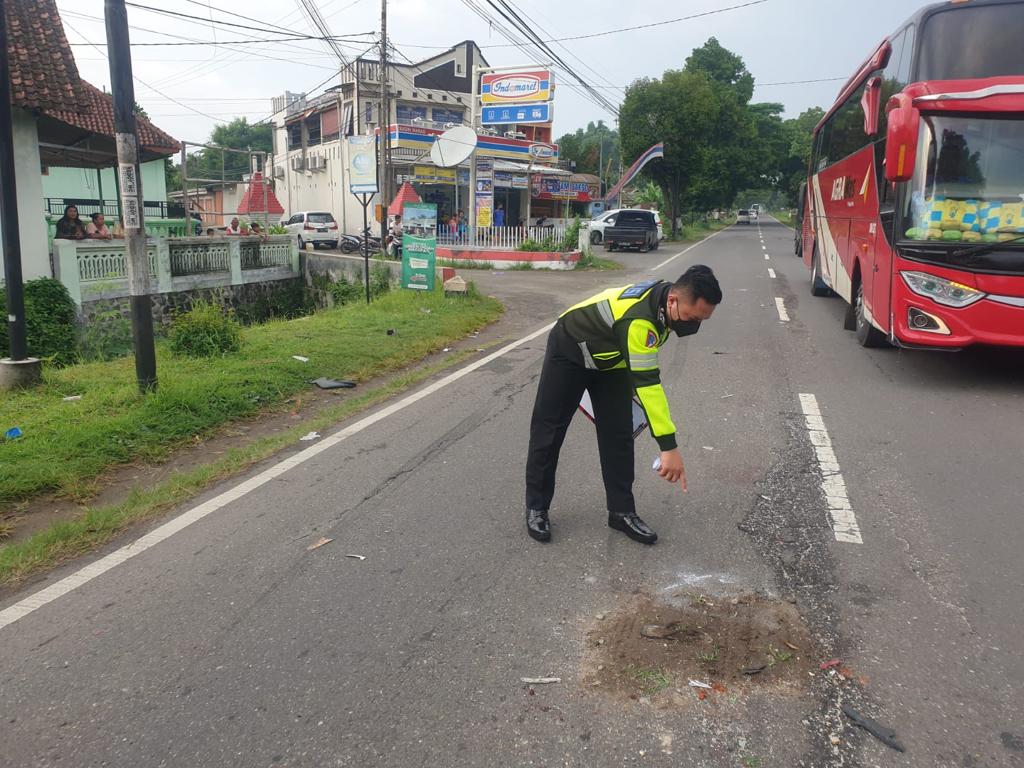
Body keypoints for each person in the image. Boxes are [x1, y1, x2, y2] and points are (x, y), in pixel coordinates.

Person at [524, 265, 723, 545]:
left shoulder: (665, 301)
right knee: (548, 431)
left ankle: (621, 511)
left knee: (618, 435)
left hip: (611, 360)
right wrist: (669, 447)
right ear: (673, 300)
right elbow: (649, 387)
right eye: (692, 317)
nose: (695, 325)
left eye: (702, 320)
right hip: (570, 350)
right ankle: (537, 507)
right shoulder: (640, 322)